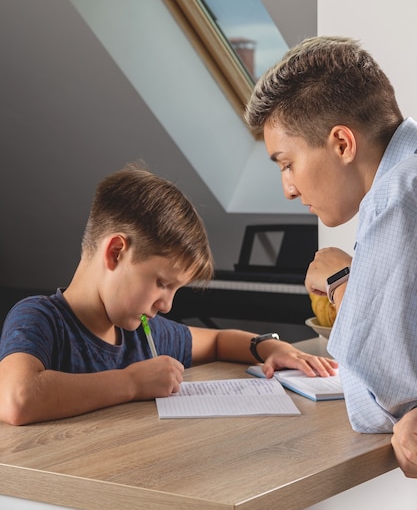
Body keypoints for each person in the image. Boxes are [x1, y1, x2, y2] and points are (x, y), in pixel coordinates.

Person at [0, 162, 337, 426]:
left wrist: (269, 346)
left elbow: (219, 342)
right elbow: (16, 399)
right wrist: (131, 383)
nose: (167, 304)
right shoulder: (40, 319)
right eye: (162, 283)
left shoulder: (140, 333)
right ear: (116, 252)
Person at [244, 35, 417, 476]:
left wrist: (343, 279)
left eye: (286, 163)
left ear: (342, 143)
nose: (288, 188)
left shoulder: (394, 200)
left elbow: (379, 405)